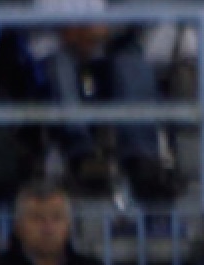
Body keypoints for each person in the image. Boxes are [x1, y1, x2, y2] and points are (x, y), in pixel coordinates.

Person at [40, 3, 181, 199]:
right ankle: (81, 155)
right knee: (59, 64)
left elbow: (148, 12)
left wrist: (107, 28)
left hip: (114, 50)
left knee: (130, 62)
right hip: (58, 53)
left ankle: (141, 159)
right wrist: (73, 30)